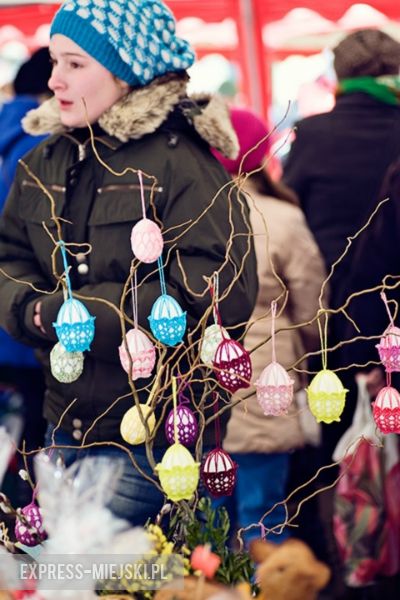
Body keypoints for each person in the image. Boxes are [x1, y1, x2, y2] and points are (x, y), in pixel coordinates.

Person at [0, 0, 258, 525]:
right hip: (63, 426)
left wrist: (76, 319)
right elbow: (9, 255)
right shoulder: (43, 159)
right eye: (54, 62)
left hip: (155, 444)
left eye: (75, 64)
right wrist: (31, 310)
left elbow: (216, 290)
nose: (55, 80)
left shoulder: (178, 163)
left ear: (126, 73)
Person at [283, 28, 400, 466]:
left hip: (332, 310)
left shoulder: (313, 135)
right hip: (394, 309)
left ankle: (343, 527)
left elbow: (291, 210)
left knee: (338, 444)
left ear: (340, 75)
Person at [213, 107, 326, 545]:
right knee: (264, 519)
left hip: (201, 393)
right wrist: (307, 360)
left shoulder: (184, 216)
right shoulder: (281, 217)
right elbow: (313, 306)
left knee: (207, 527)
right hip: (268, 383)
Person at [0, 47, 52, 506]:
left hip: (6, 312)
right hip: (30, 321)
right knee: (37, 442)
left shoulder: (5, 136)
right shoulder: (42, 145)